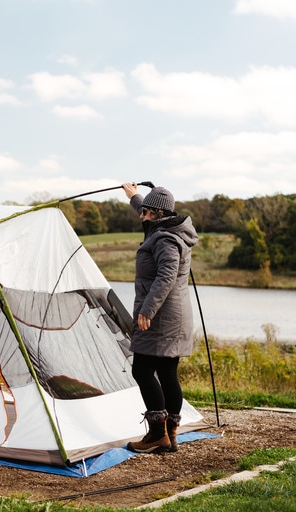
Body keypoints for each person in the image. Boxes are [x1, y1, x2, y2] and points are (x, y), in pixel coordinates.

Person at [120, 183, 199, 453]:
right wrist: (133, 196)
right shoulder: (166, 229)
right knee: (166, 372)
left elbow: (166, 276)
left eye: (145, 212)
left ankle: (157, 436)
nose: (141, 216)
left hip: (161, 317)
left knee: (141, 370)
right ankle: (170, 435)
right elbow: (147, 212)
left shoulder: (165, 239)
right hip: (174, 315)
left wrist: (146, 311)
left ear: (157, 213)